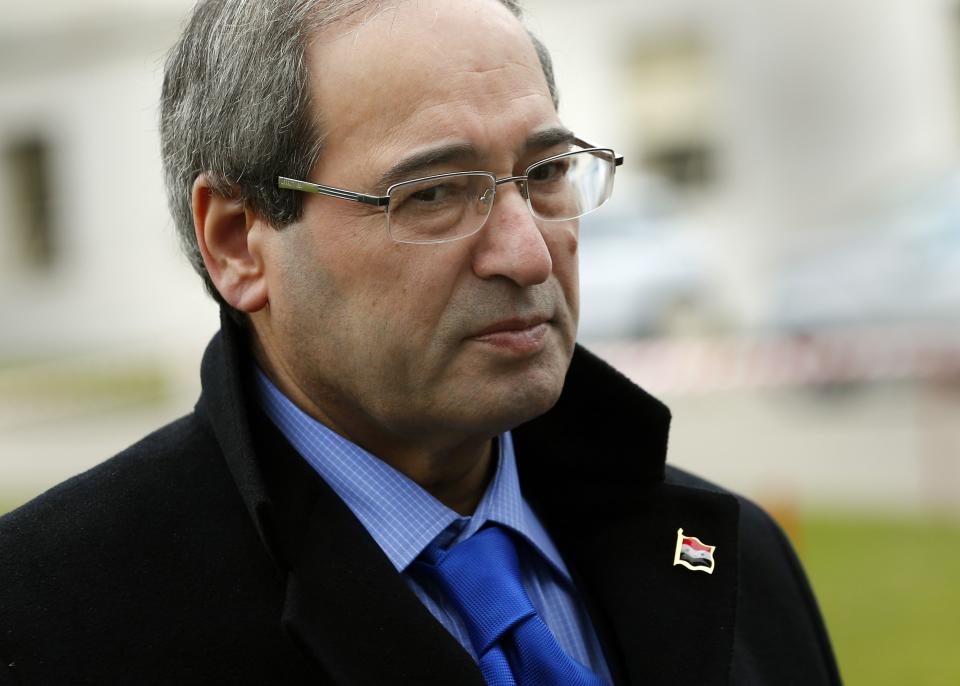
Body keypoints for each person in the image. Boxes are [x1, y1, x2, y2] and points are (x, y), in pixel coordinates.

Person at [0, 1, 841, 684]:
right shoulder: (50, 617)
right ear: (236, 240)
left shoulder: (736, 556)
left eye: (545, 174)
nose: (525, 251)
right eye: (434, 193)